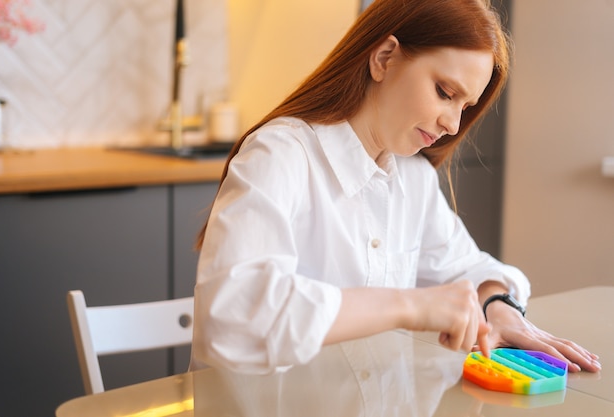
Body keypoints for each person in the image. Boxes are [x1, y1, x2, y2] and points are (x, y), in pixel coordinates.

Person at [190, 0, 600, 374]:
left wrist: (497, 305)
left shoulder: (411, 177)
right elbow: (232, 319)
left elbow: (470, 269)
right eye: (444, 92)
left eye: (464, 107)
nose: (453, 125)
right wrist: (408, 305)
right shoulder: (281, 155)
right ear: (384, 58)